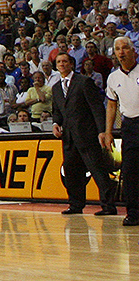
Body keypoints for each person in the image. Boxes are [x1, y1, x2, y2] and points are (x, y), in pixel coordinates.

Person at [52, 52, 116, 215]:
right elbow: (57, 111)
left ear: (71, 64)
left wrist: (102, 131)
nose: (62, 64)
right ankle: (75, 205)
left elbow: (96, 107)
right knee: (72, 173)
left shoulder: (84, 82)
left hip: (87, 135)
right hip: (68, 137)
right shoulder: (56, 87)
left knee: (98, 170)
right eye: (59, 62)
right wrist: (55, 124)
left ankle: (108, 206)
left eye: (65, 61)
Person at [102, 36, 139, 226]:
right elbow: (111, 106)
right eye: (118, 49)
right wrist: (108, 132)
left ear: (133, 50)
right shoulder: (113, 77)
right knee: (130, 171)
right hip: (130, 126)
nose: (121, 52)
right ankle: (133, 213)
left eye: (125, 48)